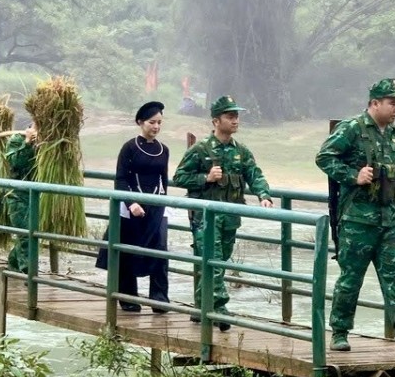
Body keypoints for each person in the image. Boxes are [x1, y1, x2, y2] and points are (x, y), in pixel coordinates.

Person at [315, 79, 395, 355]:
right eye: (392, 102)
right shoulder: (352, 129)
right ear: (374, 103)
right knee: (351, 278)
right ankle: (339, 332)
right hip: (358, 220)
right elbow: (324, 157)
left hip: (390, 219)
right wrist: (353, 175)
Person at [172, 95, 273, 330]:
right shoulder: (200, 150)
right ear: (216, 121)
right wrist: (205, 178)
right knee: (214, 261)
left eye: (236, 116)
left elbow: (254, 174)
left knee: (220, 260)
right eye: (230, 116)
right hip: (205, 217)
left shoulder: (241, 151)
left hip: (230, 216)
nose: (235, 120)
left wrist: (264, 195)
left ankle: (201, 307)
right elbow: (179, 177)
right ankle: (219, 308)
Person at [95, 101, 171, 313]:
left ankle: (160, 299)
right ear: (140, 122)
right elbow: (120, 179)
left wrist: (164, 203)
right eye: (152, 122)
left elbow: (164, 180)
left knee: (159, 251)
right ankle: (128, 298)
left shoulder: (164, 150)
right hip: (132, 206)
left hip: (157, 205)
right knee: (127, 251)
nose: (156, 126)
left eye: (159, 123)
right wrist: (131, 202)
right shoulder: (129, 147)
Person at [4, 124, 38, 274]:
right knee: (25, 233)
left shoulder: (49, 140)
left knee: (32, 233)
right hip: (18, 194)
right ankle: (29, 273)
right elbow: (15, 163)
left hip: (39, 195)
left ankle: (13, 263)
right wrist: (28, 143)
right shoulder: (17, 139)